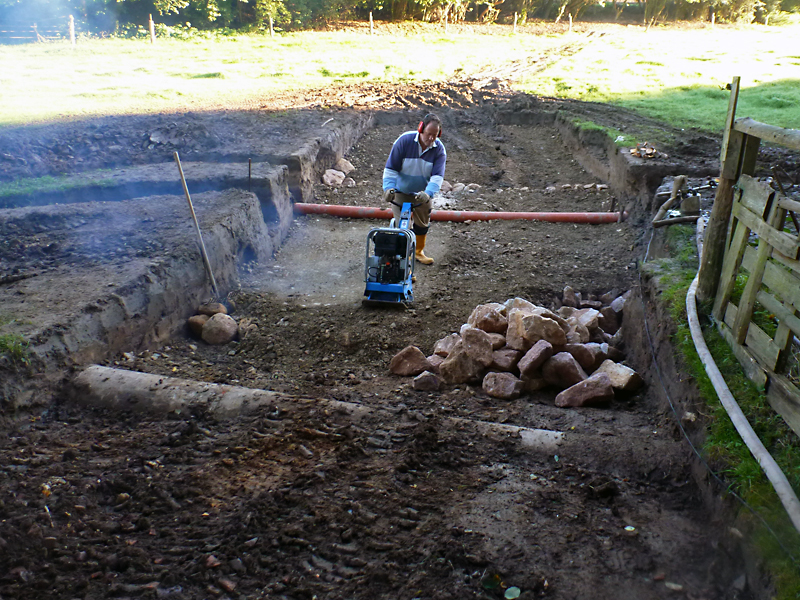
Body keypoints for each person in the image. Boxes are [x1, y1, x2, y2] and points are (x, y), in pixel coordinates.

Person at [382, 113, 447, 265]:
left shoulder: (439, 150)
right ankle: (404, 261)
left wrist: (428, 193)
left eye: (435, 135)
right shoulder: (404, 142)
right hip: (400, 191)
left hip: (421, 194)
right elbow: (391, 169)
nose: (431, 138)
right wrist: (388, 189)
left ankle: (418, 252)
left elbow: (437, 177)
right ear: (421, 129)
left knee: (423, 223)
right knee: (403, 227)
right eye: (429, 134)